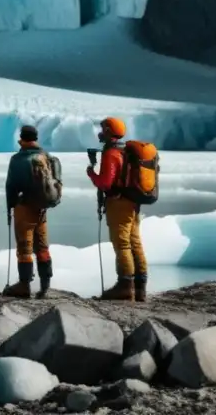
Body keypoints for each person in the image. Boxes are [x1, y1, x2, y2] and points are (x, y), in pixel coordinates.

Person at [86, 116, 148, 302]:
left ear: (108, 131)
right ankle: (140, 288)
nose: (100, 132)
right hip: (132, 203)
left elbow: (105, 183)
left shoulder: (111, 154)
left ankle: (124, 286)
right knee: (135, 242)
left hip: (118, 203)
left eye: (103, 128)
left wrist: (91, 173)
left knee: (122, 244)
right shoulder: (125, 151)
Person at [2, 125, 59, 298]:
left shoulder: (18, 159)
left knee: (25, 247)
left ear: (22, 138)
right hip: (41, 208)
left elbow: (11, 185)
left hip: (24, 207)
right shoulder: (47, 157)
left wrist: (10, 206)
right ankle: (45, 285)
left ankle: (24, 285)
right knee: (42, 246)